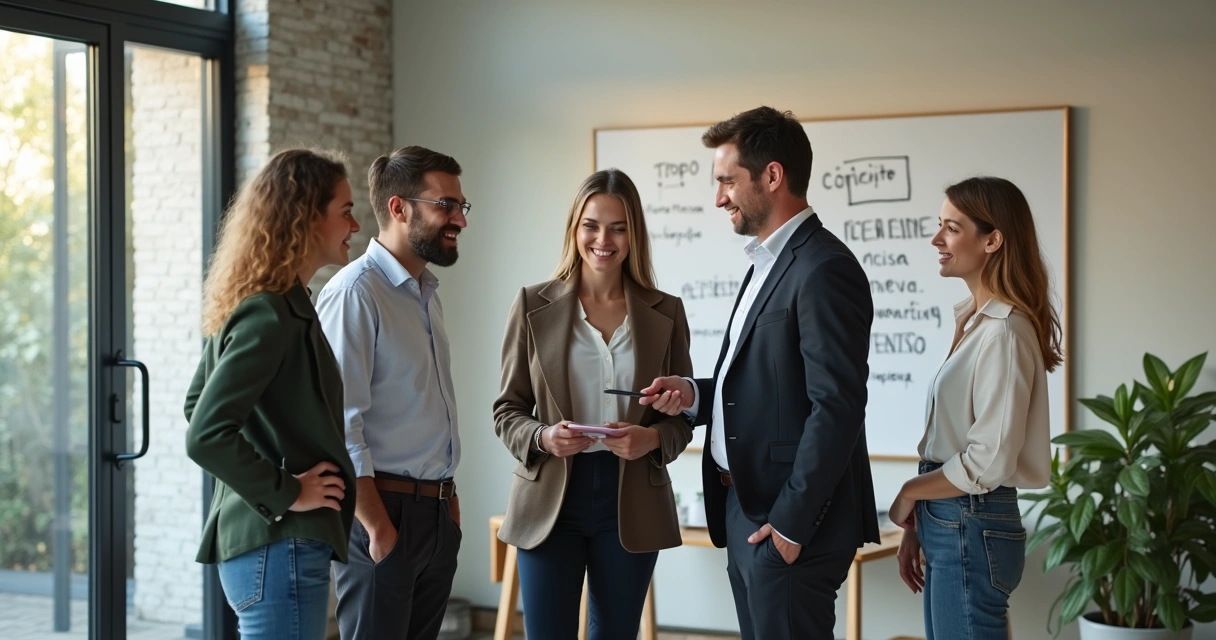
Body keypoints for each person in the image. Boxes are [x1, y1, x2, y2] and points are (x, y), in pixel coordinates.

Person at [640, 106, 879, 639]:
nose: (719, 197)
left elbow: (836, 405)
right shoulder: (766, 263)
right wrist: (695, 395)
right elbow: (763, 386)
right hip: (747, 511)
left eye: (727, 181)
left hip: (788, 523)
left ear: (772, 176)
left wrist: (791, 526)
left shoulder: (823, 268)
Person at [493, 168, 694, 640]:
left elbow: (684, 416)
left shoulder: (666, 313)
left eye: (618, 227)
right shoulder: (530, 305)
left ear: (633, 234)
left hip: (630, 499)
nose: (604, 239)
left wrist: (650, 438)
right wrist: (543, 436)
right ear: (575, 229)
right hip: (550, 499)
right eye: (592, 225)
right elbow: (507, 411)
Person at [184, 148, 361, 640]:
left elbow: (197, 405)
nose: (356, 224)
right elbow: (205, 432)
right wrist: (288, 491)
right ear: (307, 218)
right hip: (277, 546)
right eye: (345, 211)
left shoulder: (279, 307)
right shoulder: (269, 315)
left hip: (273, 548)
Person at [889, 176, 1060, 640]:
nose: (936, 239)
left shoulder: (1004, 332)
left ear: (992, 240)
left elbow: (988, 459)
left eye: (951, 227)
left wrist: (911, 490)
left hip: (970, 517)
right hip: (957, 517)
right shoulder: (977, 321)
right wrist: (920, 521)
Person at [315, 145, 468, 640]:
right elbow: (339, 424)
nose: (459, 219)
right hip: (382, 512)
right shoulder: (354, 293)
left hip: (434, 513)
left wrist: (447, 502)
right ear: (399, 208)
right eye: (446, 204)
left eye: (461, 206)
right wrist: (378, 526)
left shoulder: (427, 296)